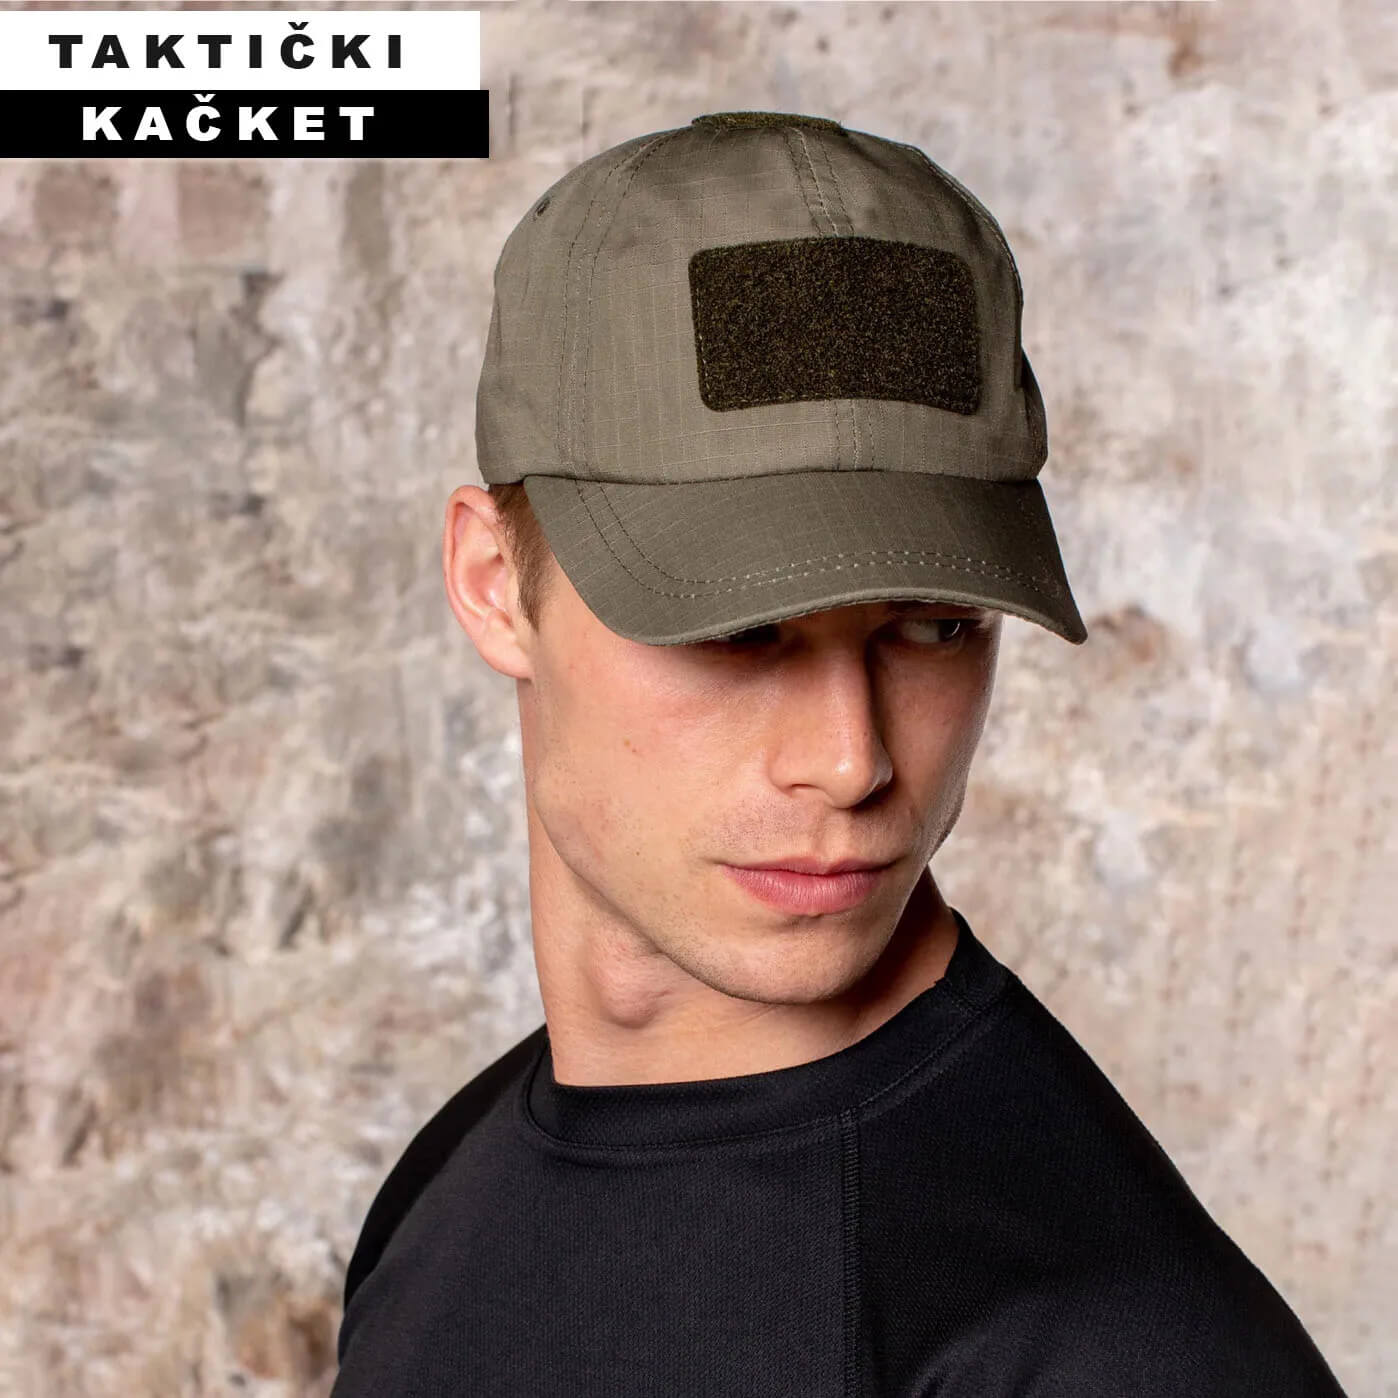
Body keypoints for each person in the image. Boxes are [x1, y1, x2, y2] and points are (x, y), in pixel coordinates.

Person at [331, 111, 1348, 1396]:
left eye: (933, 626)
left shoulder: (1103, 1347)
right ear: (494, 584)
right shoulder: (453, 1183)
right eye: (739, 628)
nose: (852, 760)